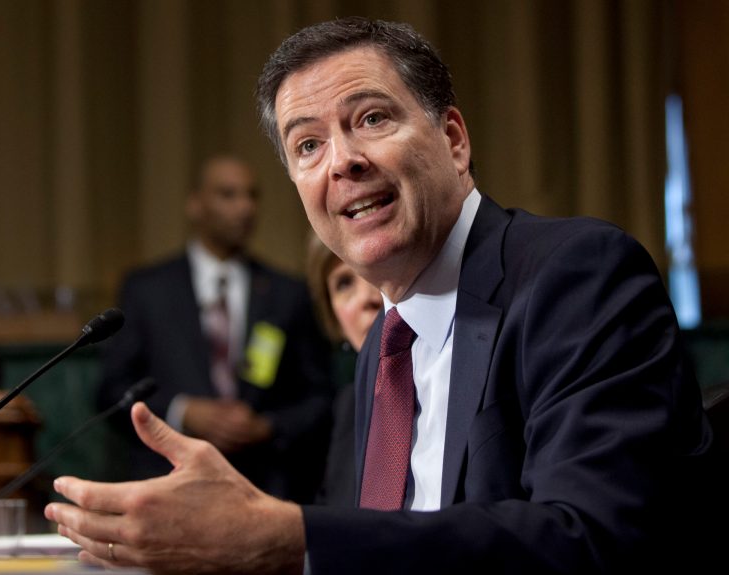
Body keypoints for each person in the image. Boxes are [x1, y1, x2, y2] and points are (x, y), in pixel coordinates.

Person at [47, 18, 718, 573]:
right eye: (307, 144)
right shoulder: (382, 352)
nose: (341, 160)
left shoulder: (576, 276)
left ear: (453, 140)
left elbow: (594, 542)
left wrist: (286, 536)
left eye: (370, 118)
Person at [98, 154, 332, 502]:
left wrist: (266, 427)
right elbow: (111, 390)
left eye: (252, 196)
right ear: (195, 205)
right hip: (167, 483)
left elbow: (321, 398)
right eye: (228, 194)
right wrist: (183, 411)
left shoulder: (287, 294)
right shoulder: (148, 290)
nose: (245, 207)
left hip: (264, 486)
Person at [306, 234, 382, 507]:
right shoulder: (348, 405)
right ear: (334, 320)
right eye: (345, 283)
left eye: (378, 271)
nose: (368, 298)